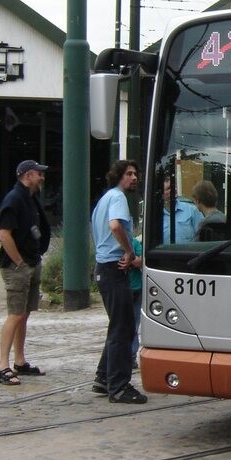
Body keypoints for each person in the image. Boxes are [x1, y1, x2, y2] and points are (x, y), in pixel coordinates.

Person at [91, 160, 147, 404]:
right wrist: (129, 251)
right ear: (118, 176)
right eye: (129, 174)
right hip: (114, 268)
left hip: (104, 268)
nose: (134, 178)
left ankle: (104, 377)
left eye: (135, 174)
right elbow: (115, 226)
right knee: (123, 329)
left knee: (118, 326)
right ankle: (119, 386)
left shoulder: (104, 199)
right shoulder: (118, 198)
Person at [0, 160, 51, 385]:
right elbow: (3, 235)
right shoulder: (15, 199)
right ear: (28, 175)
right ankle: (3, 367)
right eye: (39, 174)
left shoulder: (29, 198)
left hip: (31, 261)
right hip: (18, 265)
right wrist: (19, 263)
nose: (42, 178)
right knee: (15, 314)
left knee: (24, 314)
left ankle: (19, 361)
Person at [162, 178, 203, 243]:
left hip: (189, 249)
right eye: (169, 188)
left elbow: (202, 236)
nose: (174, 189)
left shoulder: (191, 210)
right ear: (162, 194)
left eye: (174, 186)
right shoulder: (155, 216)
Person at [129, 235, 143, 368]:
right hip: (122, 288)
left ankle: (131, 357)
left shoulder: (135, 242)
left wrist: (129, 258)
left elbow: (141, 261)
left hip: (136, 288)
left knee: (134, 325)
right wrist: (133, 259)